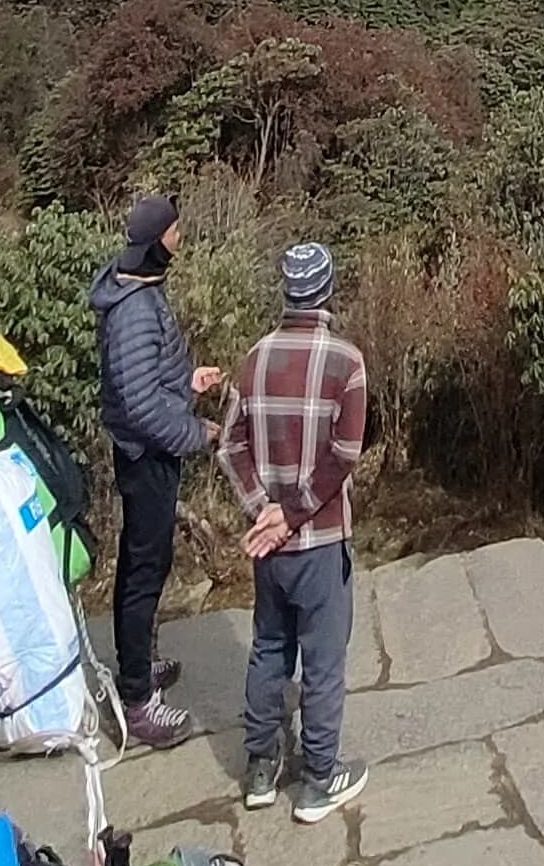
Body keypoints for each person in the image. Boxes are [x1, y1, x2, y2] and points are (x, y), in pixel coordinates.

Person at [222, 240, 370, 824]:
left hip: (270, 545)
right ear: (327, 291)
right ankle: (318, 780)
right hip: (321, 539)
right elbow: (345, 454)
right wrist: (294, 511)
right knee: (324, 662)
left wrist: (264, 509)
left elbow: (230, 445)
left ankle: (261, 767)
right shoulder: (346, 363)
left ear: (286, 291)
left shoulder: (254, 359)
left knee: (269, 646)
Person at [90, 192, 222, 747]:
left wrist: (187, 382)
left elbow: (146, 380)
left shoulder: (137, 288)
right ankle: (138, 700)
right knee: (144, 569)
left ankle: (138, 664)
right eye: (174, 232)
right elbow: (140, 406)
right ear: (155, 242)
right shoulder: (134, 310)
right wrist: (195, 433)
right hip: (147, 456)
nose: (180, 240)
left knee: (148, 560)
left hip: (147, 450)